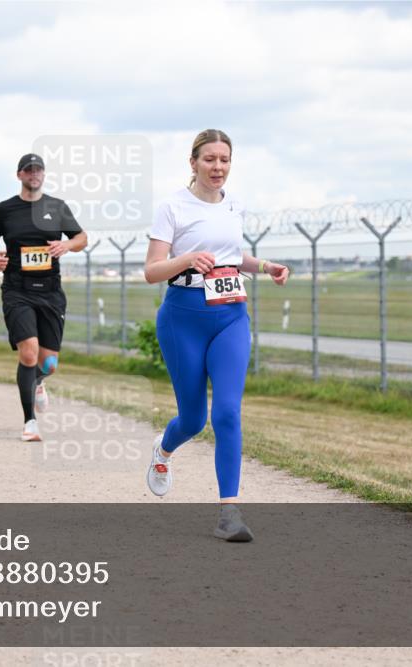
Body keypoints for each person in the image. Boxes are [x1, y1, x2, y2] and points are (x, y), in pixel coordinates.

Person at [143, 129, 290, 542]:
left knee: (226, 412)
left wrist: (264, 266)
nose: (218, 167)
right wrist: (186, 259)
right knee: (193, 419)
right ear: (193, 162)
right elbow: (152, 270)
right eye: (210, 159)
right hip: (182, 317)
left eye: (225, 159)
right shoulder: (172, 206)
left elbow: (231, 257)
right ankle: (164, 450)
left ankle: (229, 512)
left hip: (230, 317)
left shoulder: (234, 205)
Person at [0, 152, 88, 442]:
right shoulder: (5, 209)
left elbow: (82, 238)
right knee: (28, 352)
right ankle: (30, 422)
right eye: (28, 170)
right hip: (17, 289)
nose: (33, 174)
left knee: (48, 364)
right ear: (19, 175)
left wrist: (66, 246)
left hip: (50, 290)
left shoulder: (56, 206)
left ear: (43, 174)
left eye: (38, 169)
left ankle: (38, 382)